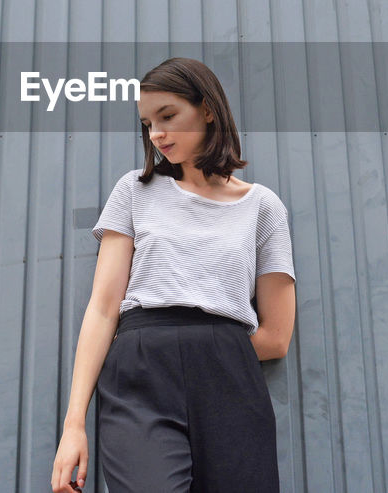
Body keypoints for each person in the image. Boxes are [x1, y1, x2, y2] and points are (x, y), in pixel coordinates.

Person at [50, 57, 297, 493]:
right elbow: (104, 309)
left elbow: (277, 335)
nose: (157, 134)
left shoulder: (263, 207)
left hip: (228, 374)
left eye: (167, 116)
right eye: (147, 123)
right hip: (141, 368)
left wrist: (208, 355)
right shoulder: (134, 190)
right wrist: (74, 426)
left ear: (206, 109)